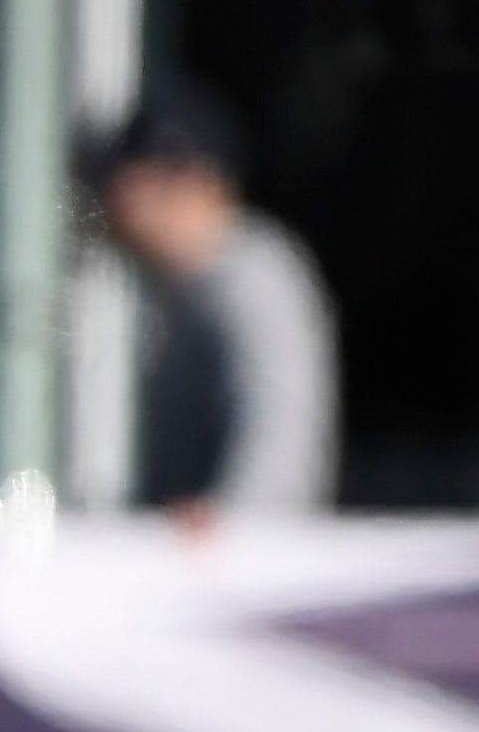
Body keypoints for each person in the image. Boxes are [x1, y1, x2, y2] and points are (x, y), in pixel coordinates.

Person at [64, 81, 339, 520]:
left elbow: (279, 432)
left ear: (183, 179)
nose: (115, 201)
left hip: (240, 571)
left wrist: (234, 525)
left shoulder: (255, 275)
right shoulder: (177, 292)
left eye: (130, 179)